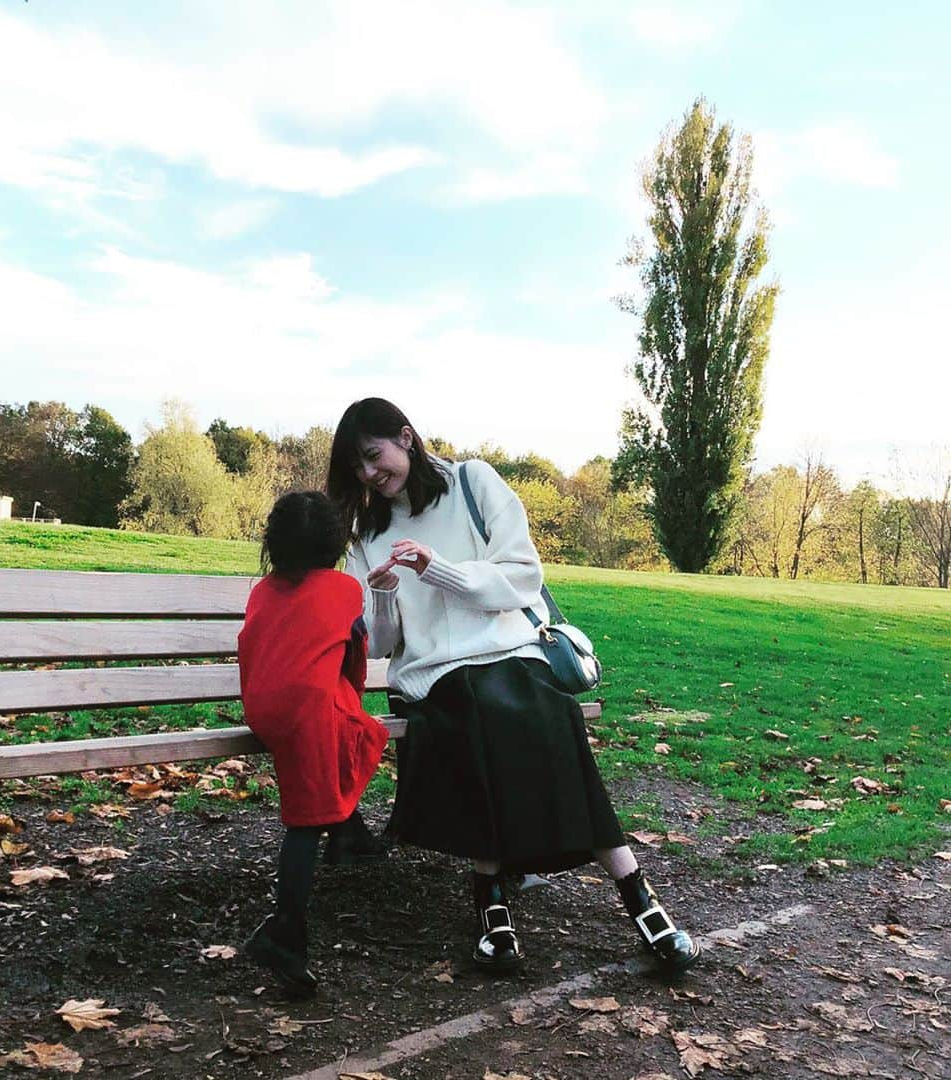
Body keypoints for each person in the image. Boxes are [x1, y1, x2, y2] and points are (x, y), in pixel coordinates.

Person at [327, 398, 700, 975]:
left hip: (512, 653)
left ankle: (620, 893)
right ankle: (511, 898)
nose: (370, 475)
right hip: (431, 676)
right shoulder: (365, 532)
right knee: (478, 710)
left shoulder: (474, 483)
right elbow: (380, 646)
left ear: (406, 437)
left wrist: (437, 568)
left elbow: (523, 579)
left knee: (547, 715)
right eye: (358, 468)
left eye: (374, 457)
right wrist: (378, 595)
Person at [238, 490, 391, 996]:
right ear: (334, 543)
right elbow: (355, 662)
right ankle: (286, 932)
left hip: (262, 707)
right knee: (355, 741)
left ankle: (349, 831)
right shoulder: (345, 590)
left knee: (341, 733)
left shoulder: (263, 590)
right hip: (305, 710)